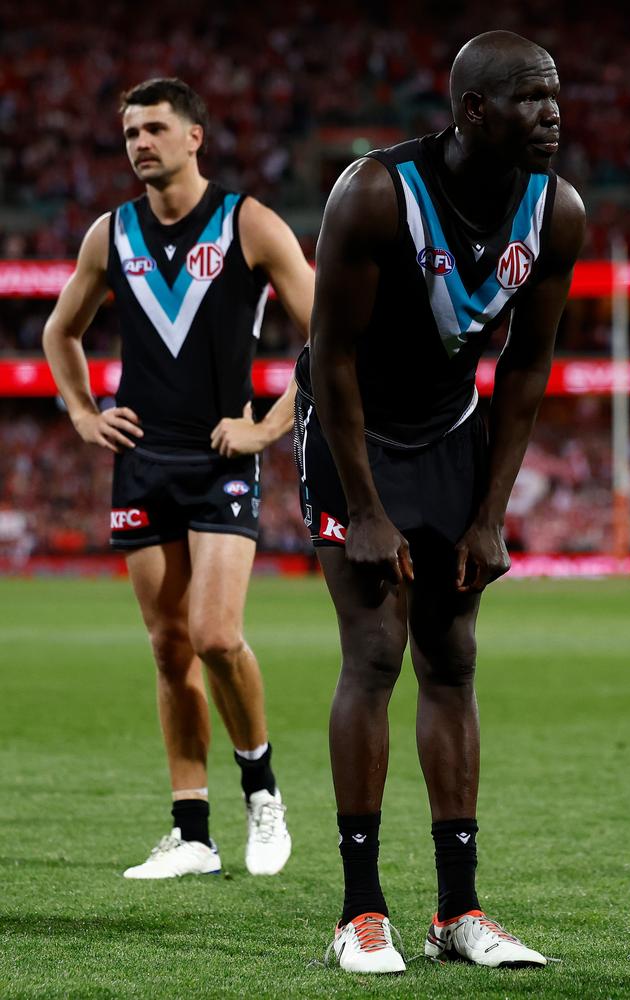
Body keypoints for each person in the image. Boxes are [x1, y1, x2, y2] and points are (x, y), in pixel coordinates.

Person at [294, 31, 585, 972]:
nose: (553, 114)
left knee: (452, 657)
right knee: (376, 651)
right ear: (472, 111)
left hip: (453, 430)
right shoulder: (375, 193)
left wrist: (490, 512)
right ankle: (359, 911)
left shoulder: (559, 211)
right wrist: (368, 510)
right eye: (531, 99)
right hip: (353, 429)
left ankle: (457, 913)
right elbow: (330, 356)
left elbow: (528, 366)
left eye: (556, 96)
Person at [44, 78, 314, 879]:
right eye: (130, 132)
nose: (140, 143)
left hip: (222, 460)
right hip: (141, 462)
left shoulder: (247, 223)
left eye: (156, 128)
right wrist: (83, 414)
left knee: (216, 636)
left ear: (196, 136)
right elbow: (63, 332)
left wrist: (268, 425)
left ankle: (262, 792)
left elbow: (328, 329)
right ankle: (192, 832)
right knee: (168, 649)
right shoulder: (111, 233)